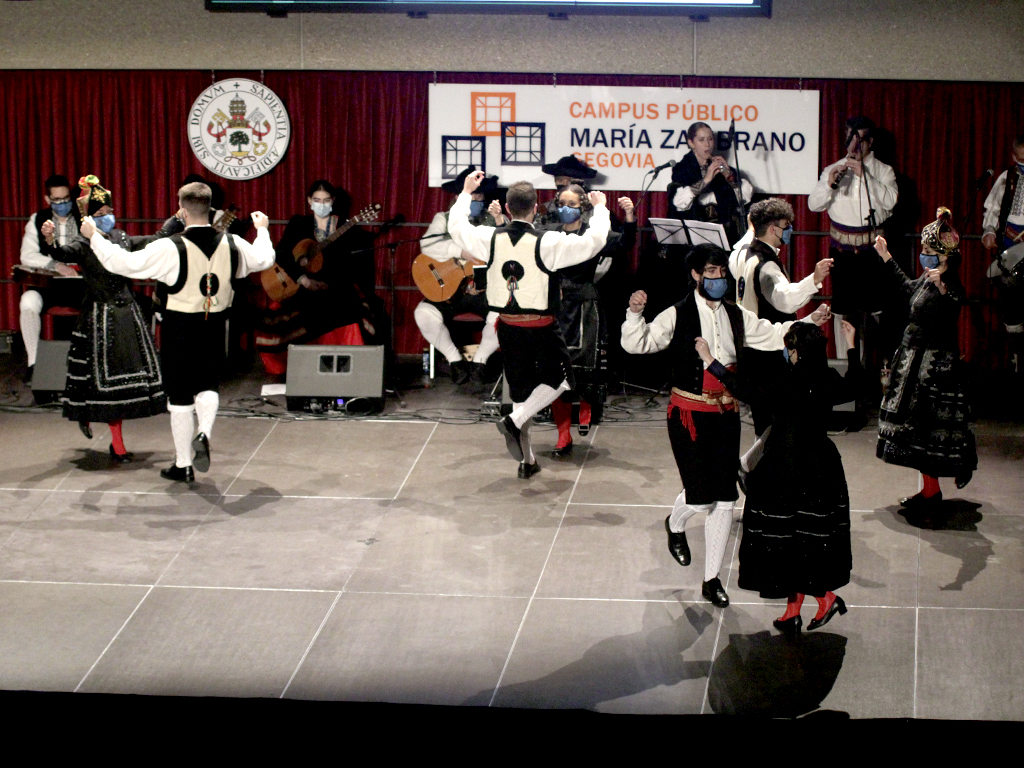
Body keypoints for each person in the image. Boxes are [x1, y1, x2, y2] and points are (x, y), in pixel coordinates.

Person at [621, 243, 831, 607]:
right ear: (696, 275)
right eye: (712, 273)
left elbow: (771, 332)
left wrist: (809, 321)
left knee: (725, 500)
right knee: (701, 500)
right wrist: (633, 314)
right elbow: (639, 343)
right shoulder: (677, 314)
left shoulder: (736, 316)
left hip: (726, 415)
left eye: (722, 273)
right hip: (688, 415)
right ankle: (674, 523)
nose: (718, 279)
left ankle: (711, 579)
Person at [81, 181, 275, 484]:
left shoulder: (170, 246)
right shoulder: (234, 243)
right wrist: (262, 229)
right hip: (214, 325)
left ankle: (183, 465)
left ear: (182, 210)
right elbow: (265, 260)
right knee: (208, 383)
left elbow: (123, 264)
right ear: (210, 210)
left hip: (178, 328)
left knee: (181, 396)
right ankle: (204, 433)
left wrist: (94, 237)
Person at [447, 170, 610, 478]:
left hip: (507, 327)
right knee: (562, 381)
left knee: (522, 393)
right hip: (541, 326)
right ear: (536, 208)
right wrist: (600, 208)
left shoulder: (490, 238)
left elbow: (456, 227)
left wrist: (467, 192)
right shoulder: (546, 242)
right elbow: (594, 241)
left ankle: (528, 461)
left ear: (508, 209)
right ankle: (515, 419)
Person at [697, 321, 858, 632]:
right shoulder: (826, 378)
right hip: (820, 466)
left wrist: (710, 362)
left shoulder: (785, 380)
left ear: (796, 351)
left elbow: (744, 389)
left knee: (787, 541)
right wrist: (851, 345)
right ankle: (793, 611)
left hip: (785, 467)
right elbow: (854, 385)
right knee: (805, 540)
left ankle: (826, 598)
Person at [40, 175, 165, 460]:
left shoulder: (121, 238)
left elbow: (153, 240)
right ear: (88, 219)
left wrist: (177, 222)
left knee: (123, 382)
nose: (108, 217)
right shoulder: (83, 244)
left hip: (126, 314)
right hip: (99, 317)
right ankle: (112, 439)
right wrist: (48, 239)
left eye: (109, 212)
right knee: (98, 383)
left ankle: (114, 438)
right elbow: (60, 252)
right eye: (100, 214)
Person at [874, 208, 977, 509]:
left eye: (928, 251)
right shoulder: (926, 280)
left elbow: (952, 303)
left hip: (933, 369)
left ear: (943, 256)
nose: (923, 255)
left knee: (929, 431)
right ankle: (930, 490)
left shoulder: (950, 284)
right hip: (913, 360)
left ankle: (934, 489)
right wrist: (886, 257)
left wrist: (942, 287)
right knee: (917, 432)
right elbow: (907, 289)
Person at [542, 184, 636, 454]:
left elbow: (624, 243)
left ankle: (585, 407)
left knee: (585, 365)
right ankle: (562, 434)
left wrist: (629, 215)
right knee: (556, 370)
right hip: (556, 305)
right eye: (561, 203)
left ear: (582, 208)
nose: (565, 208)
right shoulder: (551, 235)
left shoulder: (592, 234)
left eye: (571, 204)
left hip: (585, 304)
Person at [258, 180, 386, 372]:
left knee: (346, 305)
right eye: (317, 199)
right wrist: (303, 278)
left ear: (333, 201)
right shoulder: (299, 223)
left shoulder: (344, 227)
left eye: (326, 200)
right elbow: (282, 253)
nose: (322, 204)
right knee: (303, 310)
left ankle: (344, 366)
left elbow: (349, 264)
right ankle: (302, 368)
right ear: (309, 200)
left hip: (333, 284)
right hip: (300, 283)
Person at [735, 198, 831, 434]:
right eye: (786, 226)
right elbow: (783, 298)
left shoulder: (742, 253)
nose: (789, 231)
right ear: (773, 229)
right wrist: (815, 279)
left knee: (763, 422)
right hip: (768, 353)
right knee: (773, 426)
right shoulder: (766, 266)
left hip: (750, 347)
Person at [808, 116, 899, 363]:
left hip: (872, 252)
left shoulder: (883, 171)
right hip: (842, 252)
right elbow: (813, 205)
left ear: (870, 141)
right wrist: (829, 184)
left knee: (875, 310)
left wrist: (866, 176)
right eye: (850, 138)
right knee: (843, 311)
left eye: (859, 139)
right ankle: (846, 368)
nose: (854, 144)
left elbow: (890, 202)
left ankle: (879, 369)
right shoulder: (833, 169)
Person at [415, 167, 502, 384]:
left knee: (502, 317)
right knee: (424, 313)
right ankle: (455, 361)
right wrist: (460, 252)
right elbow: (427, 245)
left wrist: (501, 223)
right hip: (450, 290)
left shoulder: (494, 220)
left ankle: (480, 362)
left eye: (479, 195)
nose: (475, 199)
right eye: (471, 194)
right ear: (457, 196)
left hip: (485, 292)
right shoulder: (443, 219)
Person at [19, 174, 84, 382]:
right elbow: (27, 256)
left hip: (79, 284)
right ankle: (34, 363)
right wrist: (56, 265)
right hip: (49, 284)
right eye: (57, 200)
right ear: (48, 200)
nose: (63, 204)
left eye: (66, 199)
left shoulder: (84, 219)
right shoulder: (37, 220)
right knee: (27, 302)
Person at [981, 133, 1024, 376]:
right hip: (1010, 246)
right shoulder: (1007, 178)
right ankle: (1018, 356)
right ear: (1013, 157)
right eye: (1021, 160)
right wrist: (988, 231)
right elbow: (993, 207)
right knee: (1011, 304)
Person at [669, 122, 753, 245]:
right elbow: (679, 202)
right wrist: (706, 180)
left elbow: (745, 197)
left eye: (710, 139)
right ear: (691, 143)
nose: (707, 144)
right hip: (693, 235)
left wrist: (730, 177)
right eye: (701, 140)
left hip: (724, 233)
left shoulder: (720, 166)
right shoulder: (682, 169)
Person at [538, 155, 598, 226]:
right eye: (559, 180)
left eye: (568, 181)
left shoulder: (595, 210)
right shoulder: (546, 209)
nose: (564, 184)